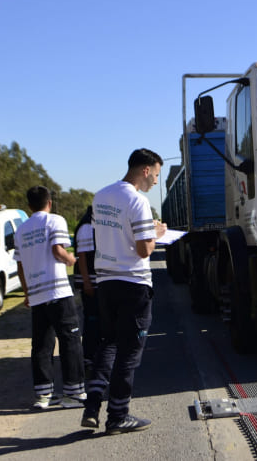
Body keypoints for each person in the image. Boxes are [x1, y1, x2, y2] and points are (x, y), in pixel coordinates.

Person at [81, 148, 167, 435]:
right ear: (145, 170)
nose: (156, 181)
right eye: (155, 174)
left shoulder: (101, 196)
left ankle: (92, 405)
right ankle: (118, 415)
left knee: (108, 343)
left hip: (106, 282)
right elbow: (144, 250)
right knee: (129, 353)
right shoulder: (138, 201)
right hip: (133, 283)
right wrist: (157, 234)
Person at [15, 186, 86, 410]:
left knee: (42, 345)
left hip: (37, 294)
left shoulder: (20, 230)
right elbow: (58, 251)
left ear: (29, 206)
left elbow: (20, 265)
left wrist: (27, 293)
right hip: (57, 291)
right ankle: (73, 393)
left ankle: (43, 395)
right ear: (49, 203)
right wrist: (72, 259)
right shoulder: (55, 221)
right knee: (70, 340)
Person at [73, 205, 99, 373]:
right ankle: (89, 358)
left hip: (94, 281)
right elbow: (82, 257)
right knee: (92, 322)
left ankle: (94, 356)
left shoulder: (91, 225)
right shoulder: (87, 227)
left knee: (97, 322)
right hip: (90, 283)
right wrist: (87, 283)